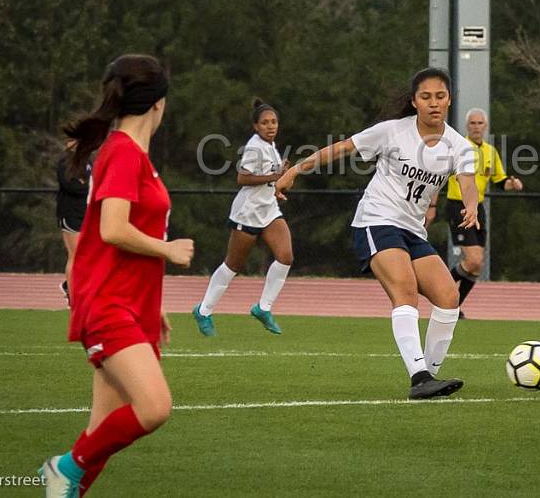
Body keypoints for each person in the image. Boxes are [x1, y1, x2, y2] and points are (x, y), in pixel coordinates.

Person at [39, 54, 195, 496]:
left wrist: (153, 301)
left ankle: (67, 480)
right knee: (154, 407)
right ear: (159, 104)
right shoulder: (123, 152)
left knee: (102, 432)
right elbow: (112, 229)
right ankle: (64, 468)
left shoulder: (130, 154)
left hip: (132, 302)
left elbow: (130, 234)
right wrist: (169, 249)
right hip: (108, 303)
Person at [275, 68, 478, 400]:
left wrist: (470, 205)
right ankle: (419, 378)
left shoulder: (459, 145)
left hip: (413, 230)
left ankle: (428, 376)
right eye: (425, 97)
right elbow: (341, 148)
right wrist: (297, 170)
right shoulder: (392, 131)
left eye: (440, 96)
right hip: (377, 219)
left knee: (448, 297)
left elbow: (468, 182)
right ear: (414, 102)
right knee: (406, 290)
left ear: (450, 100)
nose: (433, 103)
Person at [193, 99, 293, 336]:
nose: (270, 126)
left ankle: (263, 308)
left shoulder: (270, 145)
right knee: (233, 265)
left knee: (286, 256)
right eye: (265, 123)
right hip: (247, 213)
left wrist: (278, 187)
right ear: (255, 127)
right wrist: (275, 176)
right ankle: (204, 311)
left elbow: (269, 178)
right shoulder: (254, 146)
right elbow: (243, 178)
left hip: (268, 210)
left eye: (274, 122)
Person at [427, 108, 522, 317]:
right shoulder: (459, 147)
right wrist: (431, 207)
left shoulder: (490, 151)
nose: (476, 127)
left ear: (485, 126)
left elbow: (499, 181)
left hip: (478, 208)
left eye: (480, 123)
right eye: (473, 123)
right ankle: (440, 291)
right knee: (473, 260)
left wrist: (512, 184)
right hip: (458, 206)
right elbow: (438, 178)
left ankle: (452, 307)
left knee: (476, 268)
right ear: (467, 126)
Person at [56, 141, 92, 305]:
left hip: (85, 213)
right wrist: (88, 186)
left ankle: (69, 285)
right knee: (75, 255)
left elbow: (90, 183)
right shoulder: (65, 161)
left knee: (87, 255)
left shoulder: (88, 161)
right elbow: (72, 186)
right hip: (70, 214)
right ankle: (74, 299)